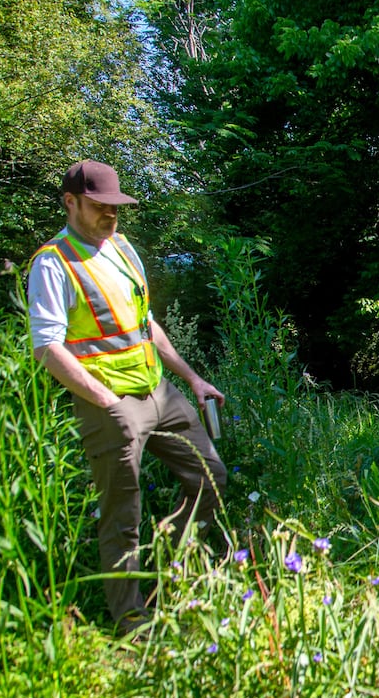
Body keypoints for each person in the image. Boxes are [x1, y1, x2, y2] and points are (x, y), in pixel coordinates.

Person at [27, 159, 228, 635]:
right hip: (108, 405)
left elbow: (145, 325)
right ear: (70, 202)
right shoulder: (53, 263)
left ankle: (168, 577)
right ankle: (132, 624)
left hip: (159, 392)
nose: (110, 216)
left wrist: (192, 379)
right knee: (123, 517)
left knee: (211, 478)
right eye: (100, 207)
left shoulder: (121, 248)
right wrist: (103, 398)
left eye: (116, 208)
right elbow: (46, 347)